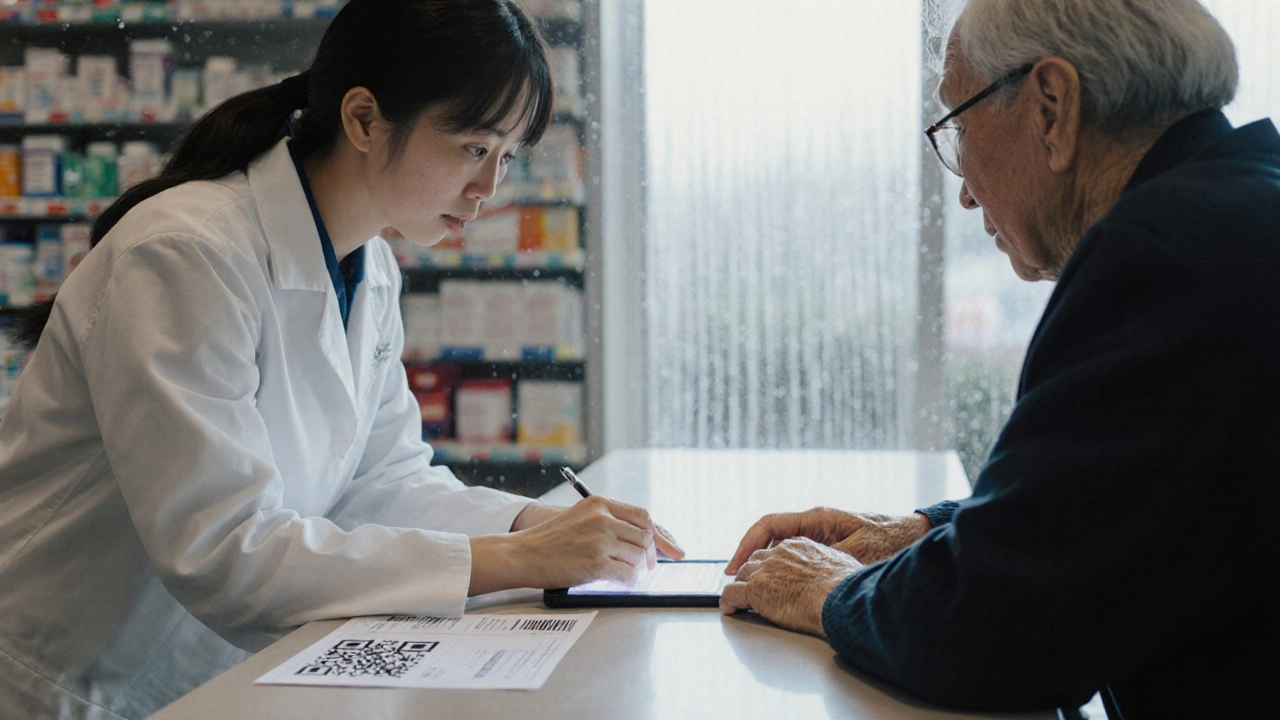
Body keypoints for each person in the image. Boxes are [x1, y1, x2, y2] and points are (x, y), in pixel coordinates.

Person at [0, 1, 682, 717]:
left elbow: (377, 482)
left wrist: (528, 525)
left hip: (208, 677)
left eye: (507, 158)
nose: (490, 191)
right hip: (59, 681)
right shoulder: (185, 252)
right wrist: (515, 562)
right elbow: (223, 550)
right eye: (473, 149)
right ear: (362, 119)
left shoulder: (370, 264)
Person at [719, 0, 1278, 717]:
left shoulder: (1162, 254)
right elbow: (1113, 505)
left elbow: (991, 632)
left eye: (956, 123)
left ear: (1051, 107)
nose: (960, 189)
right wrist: (928, 532)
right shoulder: (1237, 205)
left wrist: (823, 588)